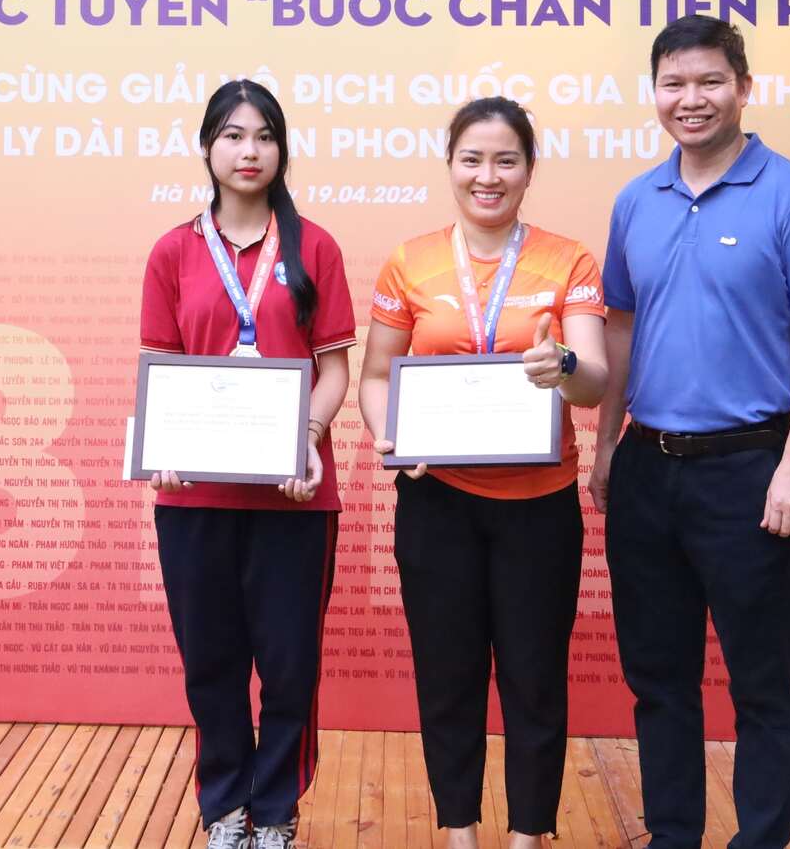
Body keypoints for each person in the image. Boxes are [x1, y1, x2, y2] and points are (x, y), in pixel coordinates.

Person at [591, 17, 790, 849]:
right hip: (647, 466)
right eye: (674, 83)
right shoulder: (636, 201)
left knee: (761, 684)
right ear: (655, 93)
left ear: (743, 87)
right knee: (658, 679)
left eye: (710, 81)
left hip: (749, 470)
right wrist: (605, 446)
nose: (692, 99)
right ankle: (672, 835)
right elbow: (621, 331)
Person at [358, 98, 609, 849]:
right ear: (450, 166)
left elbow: (594, 381)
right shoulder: (410, 261)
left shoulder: (568, 260)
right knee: (447, 676)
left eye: (506, 160)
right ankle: (459, 831)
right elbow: (377, 375)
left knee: (535, 678)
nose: (487, 176)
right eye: (472, 159)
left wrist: (563, 363)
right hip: (437, 501)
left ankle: (529, 835)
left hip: (539, 506)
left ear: (529, 170)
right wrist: (390, 435)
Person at [140, 80, 356, 849]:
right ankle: (226, 807)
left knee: (290, 665)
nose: (249, 150)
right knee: (211, 663)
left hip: (295, 495)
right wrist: (163, 445)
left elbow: (335, 368)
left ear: (282, 149)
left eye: (264, 135)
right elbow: (162, 369)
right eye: (233, 135)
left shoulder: (315, 247)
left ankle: (277, 810)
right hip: (195, 500)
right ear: (208, 147)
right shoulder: (173, 251)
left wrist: (309, 434)